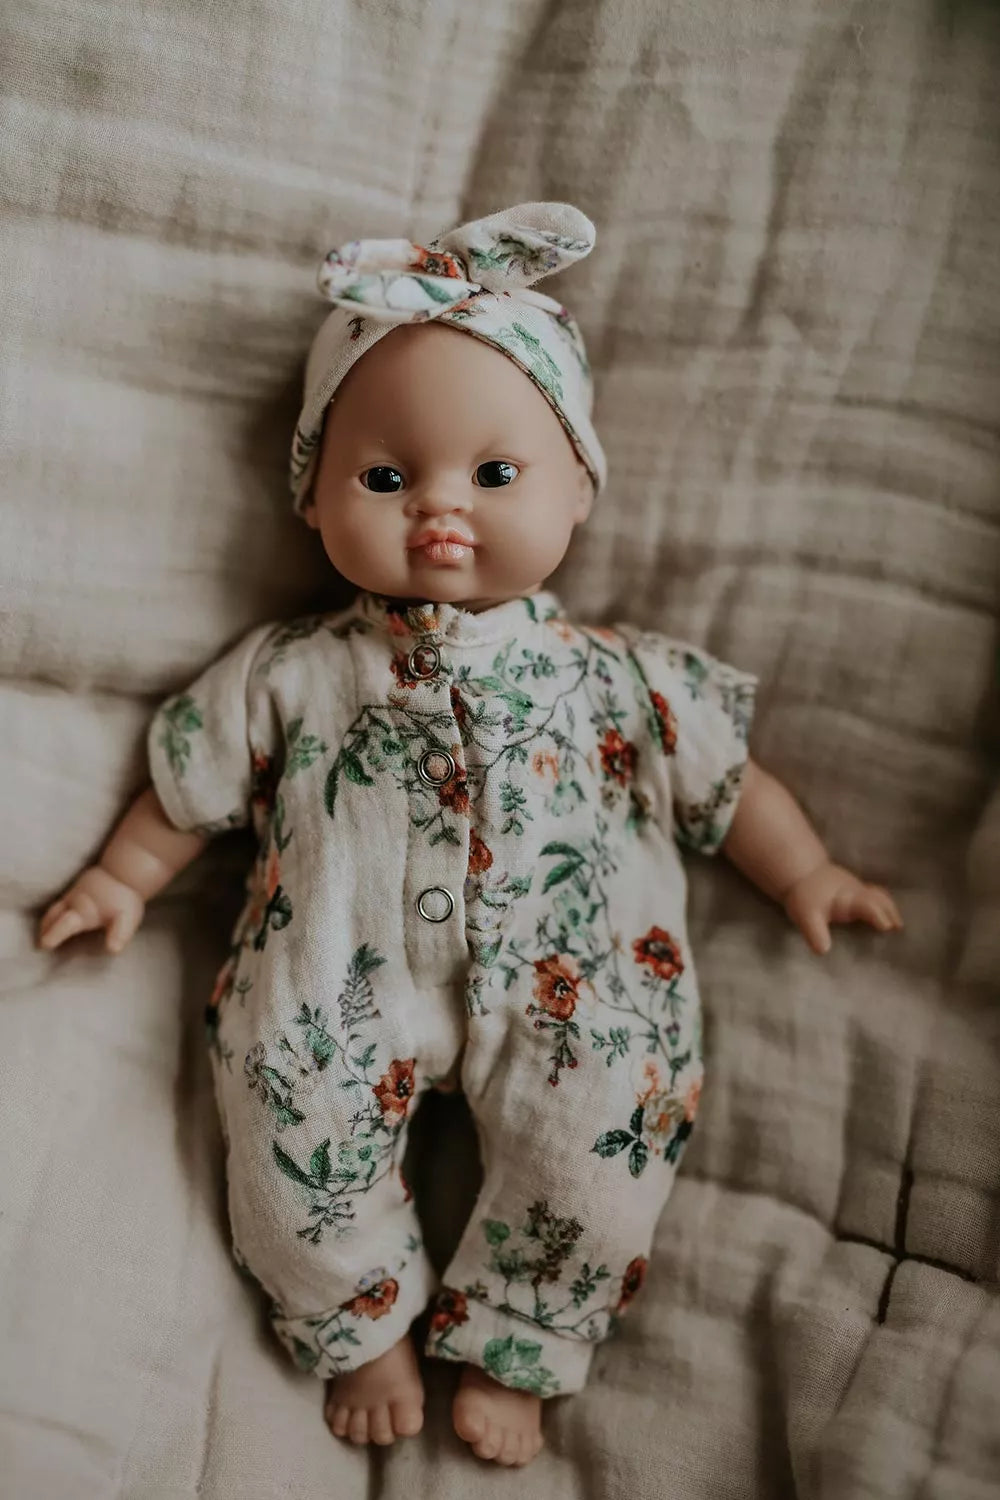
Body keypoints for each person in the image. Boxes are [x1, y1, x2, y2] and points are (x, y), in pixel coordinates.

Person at [38, 204, 902, 1468]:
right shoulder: (290, 671)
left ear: (577, 490)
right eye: (385, 479)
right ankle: (356, 1315)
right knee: (281, 1108)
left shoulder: (617, 676)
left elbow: (732, 786)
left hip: (576, 988)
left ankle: (522, 1332)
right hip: (333, 980)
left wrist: (805, 871)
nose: (439, 508)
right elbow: (188, 787)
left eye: (495, 476)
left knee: (609, 1126)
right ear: (313, 496)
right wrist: (123, 878)